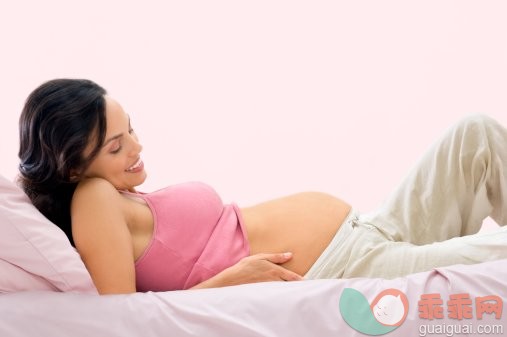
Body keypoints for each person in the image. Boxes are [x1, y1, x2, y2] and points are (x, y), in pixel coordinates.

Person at [18, 79, 507, 295]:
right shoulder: (92, 198)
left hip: (372, 229)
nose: (137, 148)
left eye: (132, 130)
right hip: (347, 266)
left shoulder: (118, 194)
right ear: (72, 168)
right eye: (116, 146)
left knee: (475, 133)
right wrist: (226, 282)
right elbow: (123, 320)